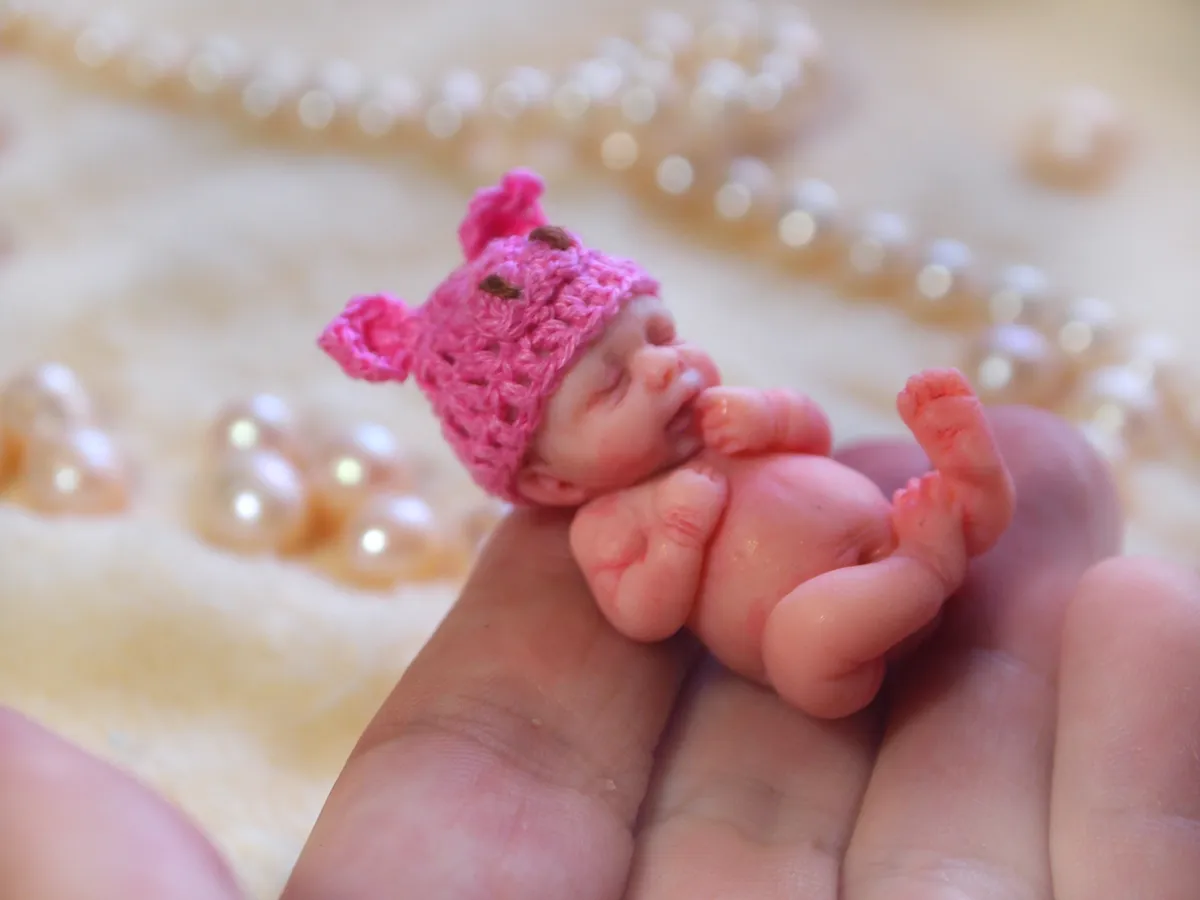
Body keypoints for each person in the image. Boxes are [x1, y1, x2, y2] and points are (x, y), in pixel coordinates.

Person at [1, 407, 1198, 900]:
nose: (663, 376)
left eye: (656, 341)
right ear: (555, 478)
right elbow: (644, 607)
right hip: (814, 638)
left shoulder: (710, 428)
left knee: (937, 505)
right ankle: (929, 557)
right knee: (812, 638)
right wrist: (676, 533)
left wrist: (768, 421)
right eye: (616, 383)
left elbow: (813, 433)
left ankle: (952, 520)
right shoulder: (617, 523)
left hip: (864, 528)